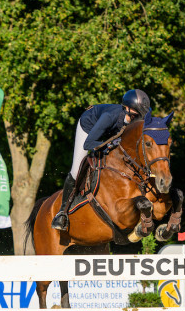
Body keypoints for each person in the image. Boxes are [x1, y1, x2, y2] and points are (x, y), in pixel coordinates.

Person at [51, 89, 151, 231]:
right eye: (135, 115)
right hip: (89, 128)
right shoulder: (110, 117)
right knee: (76, 168)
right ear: (127, 108)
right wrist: (107, 145)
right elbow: (89, 144)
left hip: (108, 131)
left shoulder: (130, 118)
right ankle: (62, 213)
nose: (136, 119)